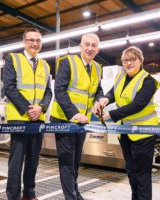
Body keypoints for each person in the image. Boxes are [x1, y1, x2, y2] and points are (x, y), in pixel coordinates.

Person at [95, 46, 160, 200]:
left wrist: (111, 114)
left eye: (133, 59)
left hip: (143, 134)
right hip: (125, 133)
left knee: (142, 174)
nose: (129, 63)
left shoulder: (148, 81)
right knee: (131, 171)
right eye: (125, 60)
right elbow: (113, 92)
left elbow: (138, 105)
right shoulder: (121, 77)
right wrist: (105, 98)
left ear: (140, 61)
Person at [50, 33, 103, 200]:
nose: (90, 48)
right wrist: (74, 113)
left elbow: (97, 90)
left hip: (82, 122)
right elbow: (59, 91)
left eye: (93, 45)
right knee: (67, 162)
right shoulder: (67, 62)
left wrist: (98, 101)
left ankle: (75, 192)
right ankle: (70, 197)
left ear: (98, 49)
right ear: (80, 46)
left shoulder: (97, 67)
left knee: (75, 161)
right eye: (86, 44)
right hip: (64, 119)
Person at [3, 28, 52, 200]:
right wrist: (28, 108)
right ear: (24, 41)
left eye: (38, 40)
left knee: (33, 159)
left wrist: (41, 108)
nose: (34, 43)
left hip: (38, 118)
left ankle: (29, 193)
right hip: (19, 117)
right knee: (16, 160)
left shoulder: (45, 65)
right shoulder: (13, 59)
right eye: (31, 40)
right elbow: (8, 87)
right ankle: (14, 196)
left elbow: (48, 92)